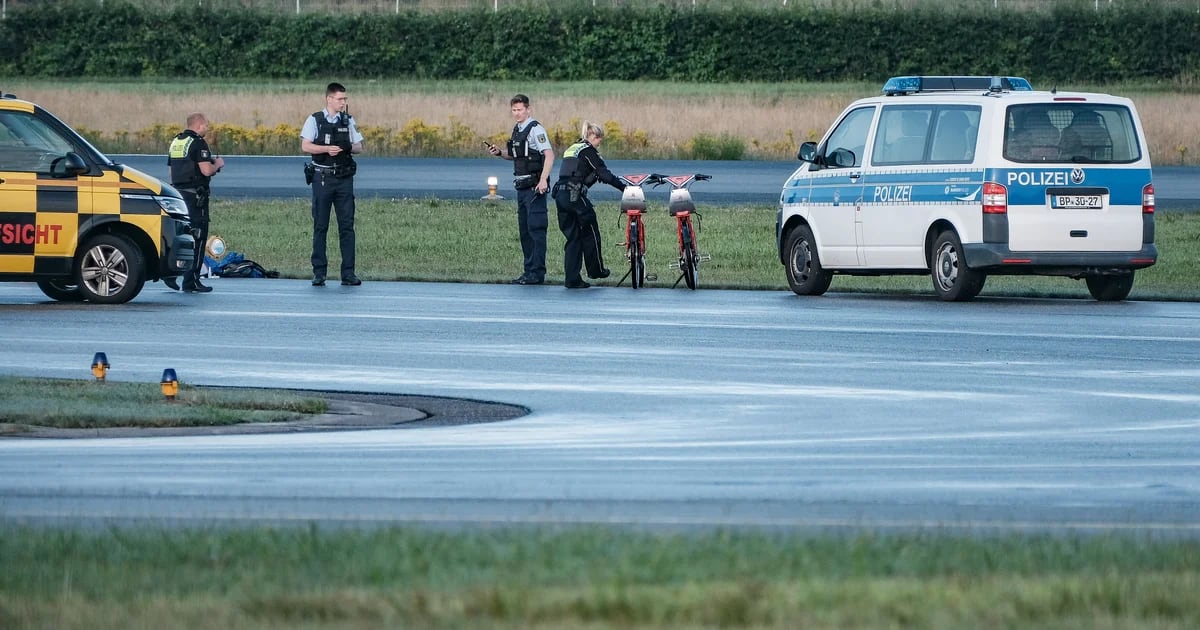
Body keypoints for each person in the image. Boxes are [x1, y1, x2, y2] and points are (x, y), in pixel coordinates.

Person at [487, 94, 555, 285]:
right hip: (521, 187)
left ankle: (537, 273)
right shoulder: (518, 129)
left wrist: (543, 180)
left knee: (536, 229)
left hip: (535, 188)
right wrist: (500, 153)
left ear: (528, 109)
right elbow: (517, 156)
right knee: (525, 231)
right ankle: (528, 271)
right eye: (514, 110)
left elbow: (549, 155)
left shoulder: (536, 129)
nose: (517, 113)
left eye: (520, 110)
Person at [301, 82, 364, 287]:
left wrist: (348, 146)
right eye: (340, 99)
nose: (343, 103)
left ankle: (348, 273)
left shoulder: (348, 120)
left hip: (344, 179)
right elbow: (305, 145)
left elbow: (359, 147)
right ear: (329, 99)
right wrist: (326, 149)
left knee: (347, 226)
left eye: (345, 99)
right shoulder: (315, 120)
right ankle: (319, 272)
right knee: (321, 225)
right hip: (323, 178)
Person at [553, 121, 622, 289]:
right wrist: (625, 188)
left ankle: (572, 279)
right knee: (590, 231)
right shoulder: (589, 151)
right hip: (574, 195)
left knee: (573, 238)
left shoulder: (573, 148)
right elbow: (604, 175)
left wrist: (591, 178)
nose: (600, 143)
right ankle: (596, 270)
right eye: (599, 139)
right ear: (593, 136)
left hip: (560, 195)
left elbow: (578, 173)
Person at [166, 112, 224, 293]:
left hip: (177, 195)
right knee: (198, 237)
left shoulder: (177, 142)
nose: (207, 128)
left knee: (179, 236)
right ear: (199, 125)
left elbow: (172, 170)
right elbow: (206, 170)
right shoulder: (198, 142)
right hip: (195, 197)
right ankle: (192, 281)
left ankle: (170, 275)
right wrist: (218, 164)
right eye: (206, 125)